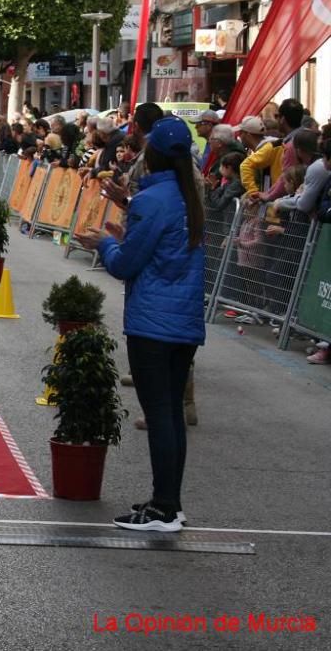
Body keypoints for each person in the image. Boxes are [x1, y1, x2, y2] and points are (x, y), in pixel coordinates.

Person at [76, 116, 205, 532]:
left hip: (153, 322)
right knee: (170, 413)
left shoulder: (155, 200)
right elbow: (161, 236)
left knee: (161, 416)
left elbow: (126, 263)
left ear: (152, 154)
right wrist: (127, 208)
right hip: (182, 319)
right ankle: (171, 502)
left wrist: (107, 243)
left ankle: (164, 507)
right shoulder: (190, 197)